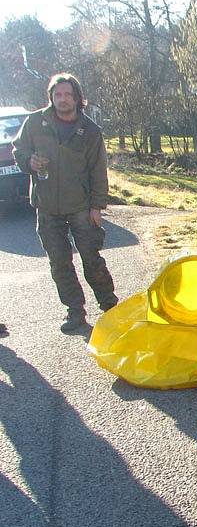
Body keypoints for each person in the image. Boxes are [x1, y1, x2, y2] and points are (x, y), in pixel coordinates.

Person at [12, 73, 117, 333]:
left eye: (68, 94)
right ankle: (75, 311)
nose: (62, 99)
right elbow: (19, 150)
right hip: (47, 206)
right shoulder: (36, 122)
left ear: (77, 97)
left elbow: (98, 171)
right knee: (59, 263)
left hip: (81, 206)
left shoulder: (91, 130)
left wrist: (97, 207)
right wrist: (29, 162)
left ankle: (110, 306)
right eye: (57, 95)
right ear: (51, 97)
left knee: (91, 260)